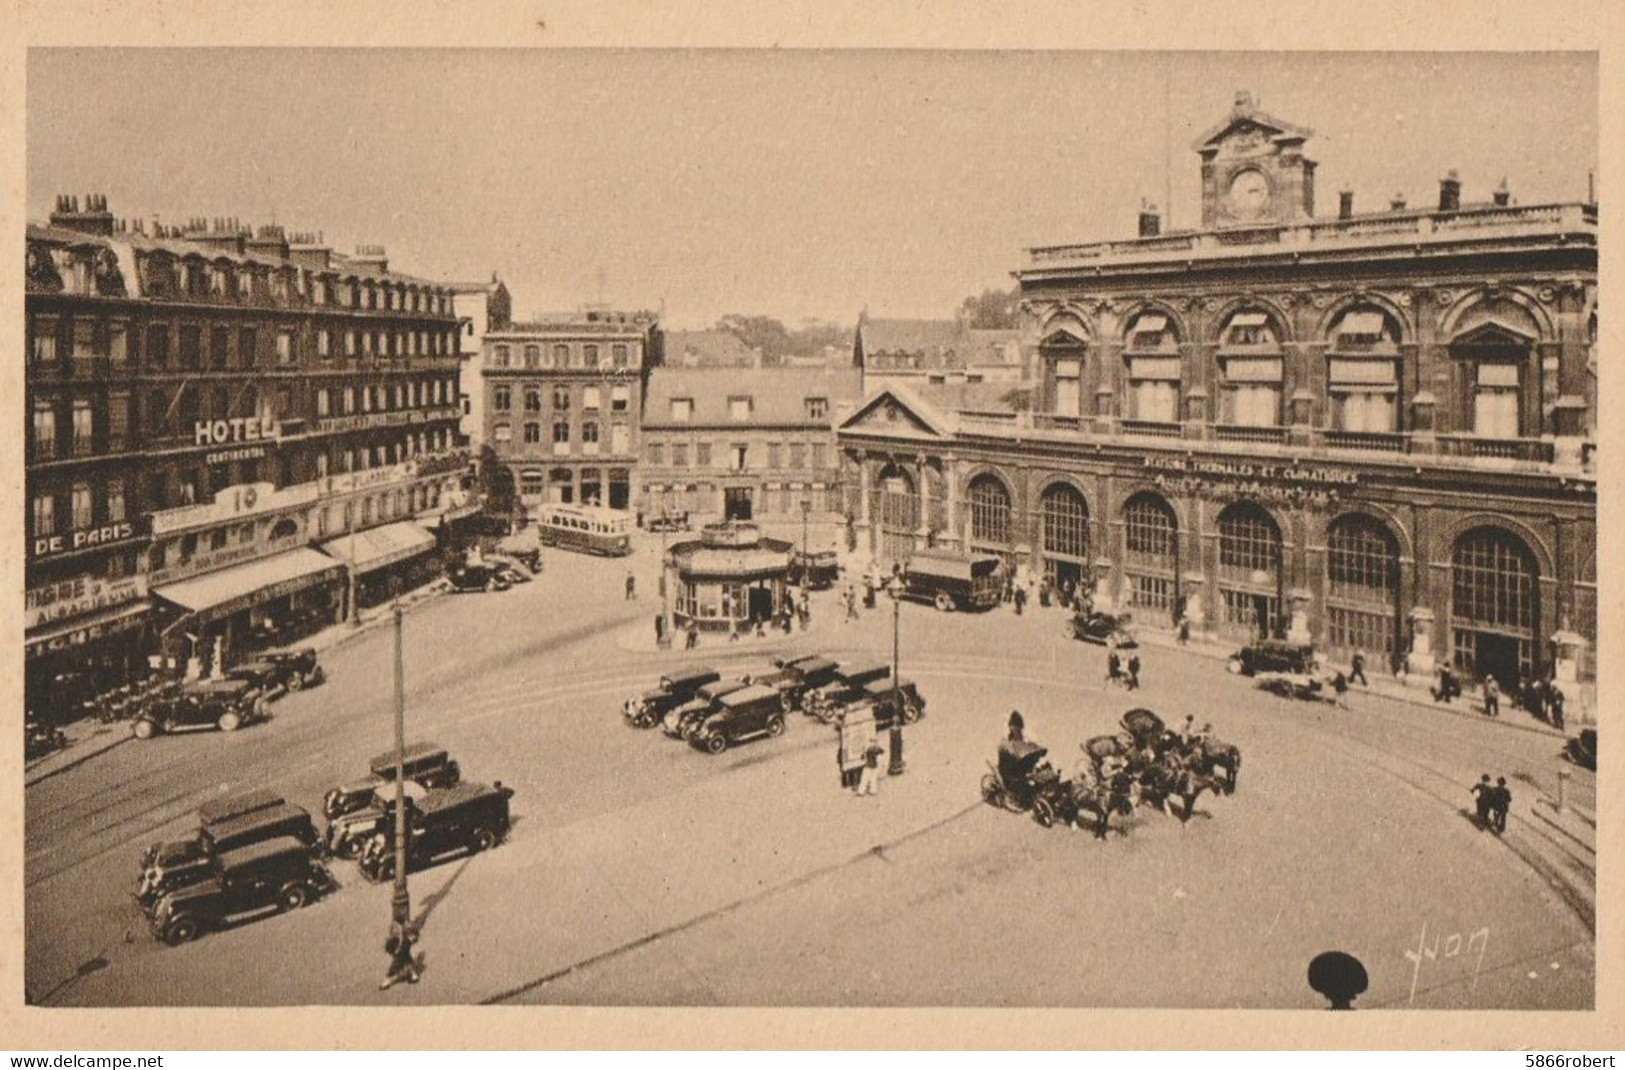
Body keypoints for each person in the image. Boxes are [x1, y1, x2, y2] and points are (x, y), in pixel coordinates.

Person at [379, 919, 424, 990]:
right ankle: (412, 973)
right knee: (404, 955)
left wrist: (399, 946)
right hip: (404, 934)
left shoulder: (399, 921)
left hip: (404, 936)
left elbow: (401, 934)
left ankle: (387, 979)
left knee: (398, 958)